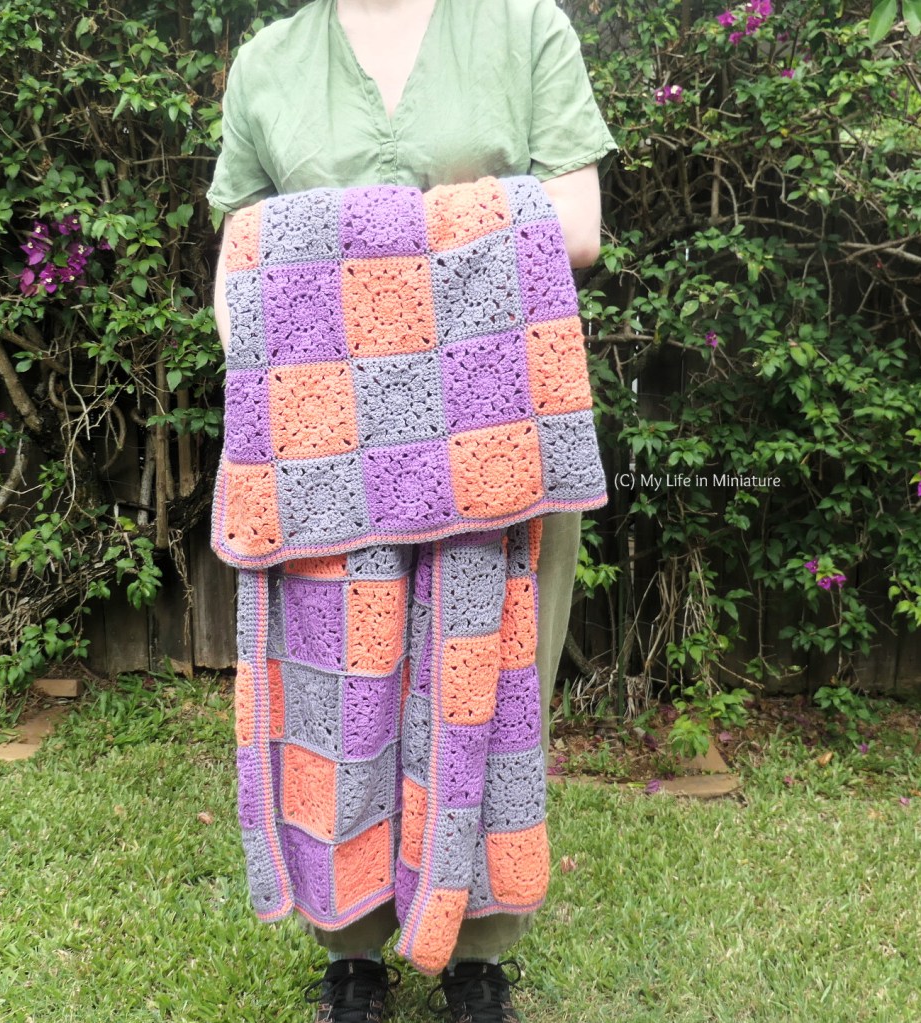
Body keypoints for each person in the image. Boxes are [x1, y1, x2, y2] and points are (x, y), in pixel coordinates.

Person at [207, 1, 616, 1020]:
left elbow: (577, 226)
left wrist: (340, 253)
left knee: (483, 688)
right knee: (334, 696)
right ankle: (351, 949)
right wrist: (297, 381)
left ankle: (477, 953)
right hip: (322, 450)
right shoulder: (269, 63)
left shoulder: (523, 28)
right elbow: (240, 265)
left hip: (493, 443)